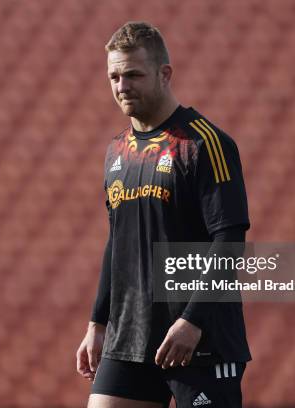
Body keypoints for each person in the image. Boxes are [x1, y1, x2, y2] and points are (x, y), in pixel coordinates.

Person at [76, 21, 251, 408]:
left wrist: (194, 321)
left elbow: (230, 241)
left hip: (200, 340)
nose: (122, 87)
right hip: (131, 338)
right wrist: (97, 322)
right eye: (114, 76)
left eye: (134, 74)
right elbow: (117, 242)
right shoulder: (117, 151)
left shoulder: (205, 143)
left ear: (164, 74)